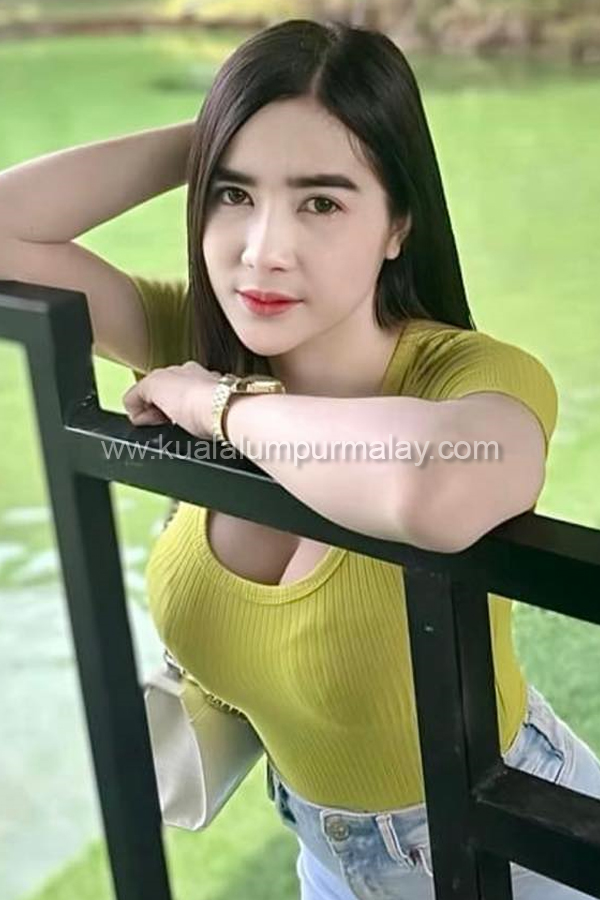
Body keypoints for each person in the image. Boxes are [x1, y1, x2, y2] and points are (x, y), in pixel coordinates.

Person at [1, 17, 599, 900]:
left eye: (321, 201)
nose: (263, 251)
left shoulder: (470, 377)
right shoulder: (197, 338)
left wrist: (217, 407)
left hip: (511, 836)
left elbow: (433, 489)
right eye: (233, 195)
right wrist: (215, 136)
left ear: (398, 223)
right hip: (326, 859)